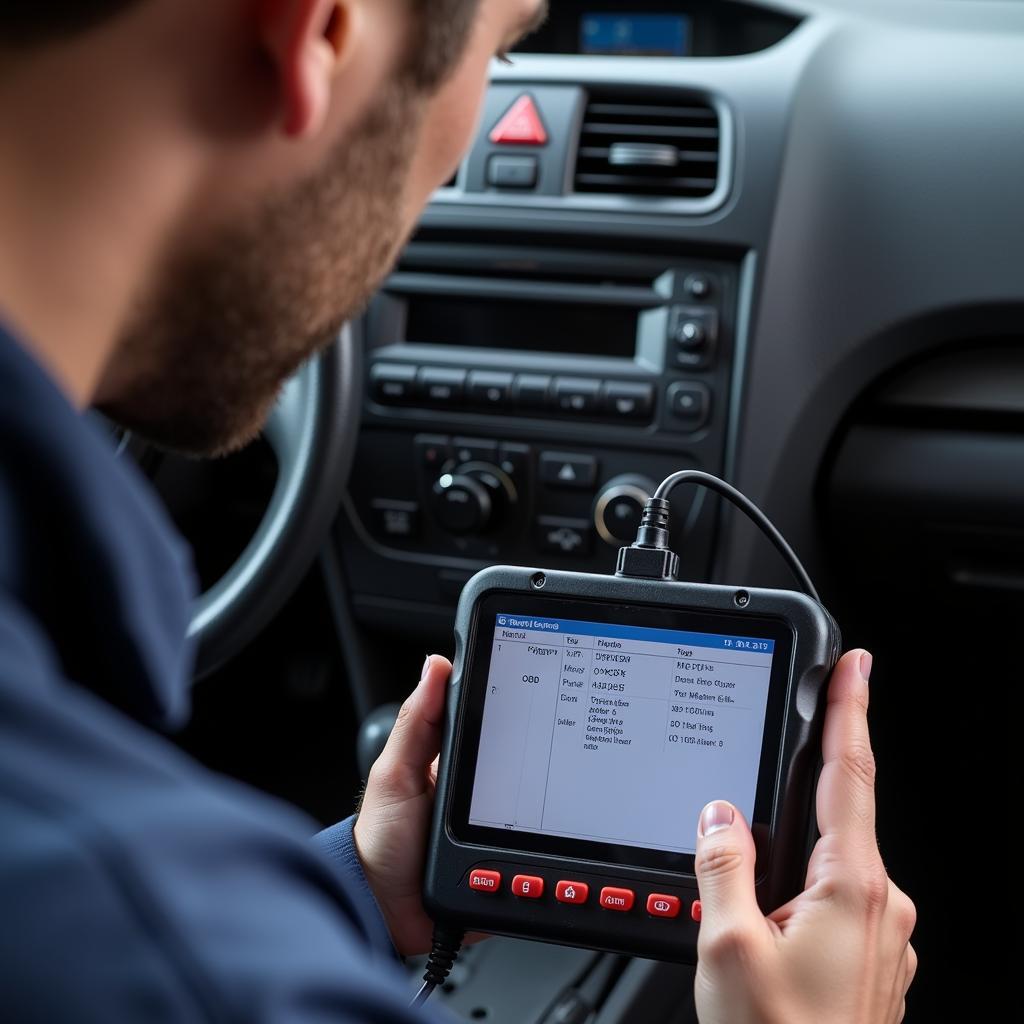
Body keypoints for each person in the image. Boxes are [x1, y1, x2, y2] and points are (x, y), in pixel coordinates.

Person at [0, 1, 916, 1021]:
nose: (481, 140)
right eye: (502, 51)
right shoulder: (191, 968)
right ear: (318, 32)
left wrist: (360, 887)